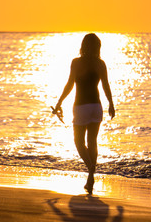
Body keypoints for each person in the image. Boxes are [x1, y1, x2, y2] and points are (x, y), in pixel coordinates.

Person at [54, 33, 115, 194]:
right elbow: (106, 86)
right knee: (92, 141)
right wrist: (111, 104)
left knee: (78, 142)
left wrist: (59, 102)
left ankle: (91, 171)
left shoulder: (76, 62)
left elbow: (69, 84)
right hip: (96, 106)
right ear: (98, 47)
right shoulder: (101, 64)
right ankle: (90, 177)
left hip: (81, 107)